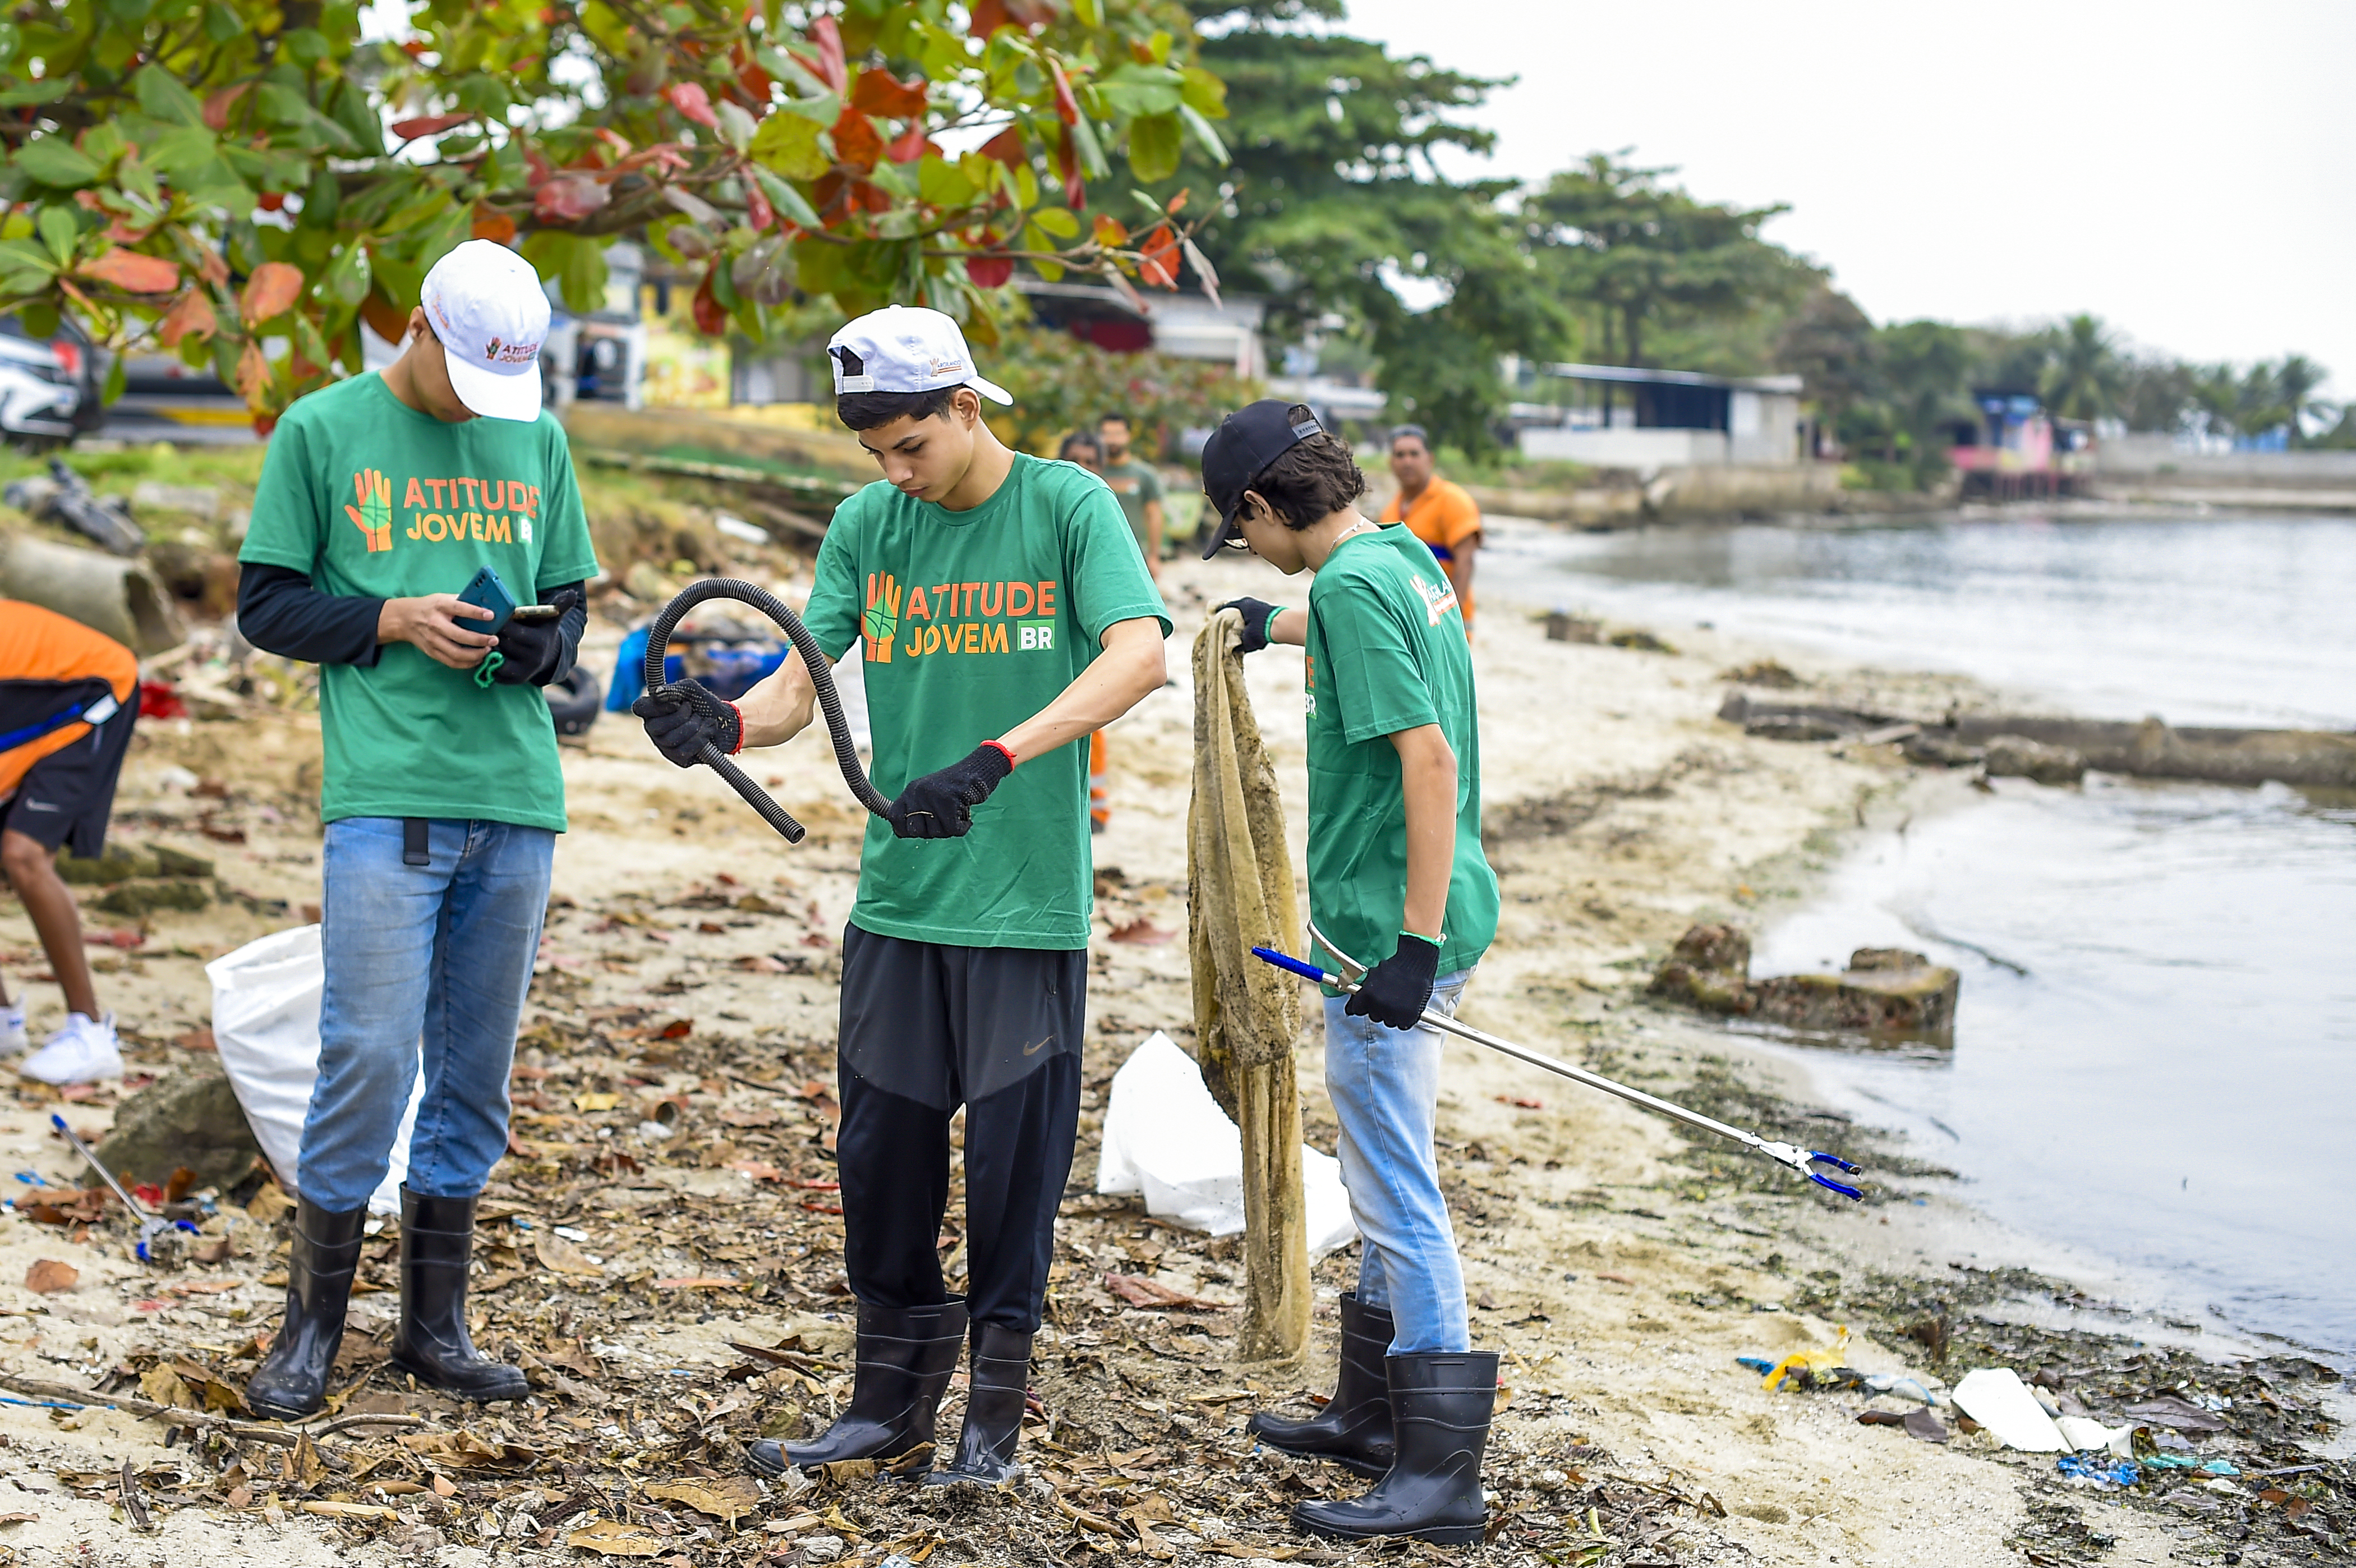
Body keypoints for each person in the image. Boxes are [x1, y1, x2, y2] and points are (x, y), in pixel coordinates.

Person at [634, 305, 1170, 1487]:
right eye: (874, 452)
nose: (895, 473)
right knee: (881, 1161)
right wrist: (723, 720)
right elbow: (799, 687)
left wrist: (995, 757)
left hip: (1021, 901)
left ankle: (994, 1411)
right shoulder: (871, 523)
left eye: (911, 445)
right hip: (898, 901)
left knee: (1012, 1170)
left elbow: (1138, 653)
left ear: (967, 406)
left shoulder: (1068, 505)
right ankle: (888, 1400)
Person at [234, 238, 599, 1420]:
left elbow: (571, 597)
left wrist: (549, 644)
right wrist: (389, 614)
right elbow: (267, 604)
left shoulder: (534, 435)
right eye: (464, 376)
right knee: (371, 1054)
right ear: (420, 333)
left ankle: (434, 1324)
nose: (478, 406)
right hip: (386, 793)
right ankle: (312, 1326)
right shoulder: (321, 429)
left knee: (475, 1073)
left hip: (516, 795)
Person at [1203, 401, 1501, 1545]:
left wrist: (1411, 949)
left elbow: (1425, 757)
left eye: (1242, 535)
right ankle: (1370, 1417)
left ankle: (1438, 1474)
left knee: (1396, 1192)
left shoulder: (1358, 586)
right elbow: (1360, 632)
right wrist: (1264, 622)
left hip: (1391, 930)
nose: (1248, 550)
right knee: (1388, 1173)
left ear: (1265, 505)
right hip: (1419, 912)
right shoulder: (1399, 556)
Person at [0, 601, 136, 1083]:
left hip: (97, 691)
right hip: (35, 704)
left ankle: (92, 1032)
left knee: (24, 854)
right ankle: (4, 1021)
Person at [1056, 430, 1114, 831]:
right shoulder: (1050, 509)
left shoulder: (1102, 510)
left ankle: (1095, 807)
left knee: (1090, 723)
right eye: (1075, 458)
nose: (1083, 467)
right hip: (1050, 634)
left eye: (1091, 461)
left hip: (1089, 636)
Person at [1379, 425, 1483, 636]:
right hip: (1406, 623)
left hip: (1444, 620)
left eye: (1414, 454)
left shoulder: (1453, 501)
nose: (1407, 461)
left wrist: (1454, 621)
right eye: (1400, 455)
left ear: (1430, 459)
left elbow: (1466, 563)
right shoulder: (1390, 512)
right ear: (1391, 462)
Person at [1095, 412, 1167, 581]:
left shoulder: (1144, 475)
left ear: (1128, 436)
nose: (1113, 440)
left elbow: (1154, 516)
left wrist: (1154, 556)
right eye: (1107, 434)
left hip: (1134, 557)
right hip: (1096, 556)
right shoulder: (1092, 473)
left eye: (1118, 434)